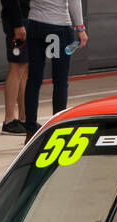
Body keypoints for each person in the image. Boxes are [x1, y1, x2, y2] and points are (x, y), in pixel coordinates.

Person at [23, 0, 87, 138]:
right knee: (60, 82)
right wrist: (80, 28)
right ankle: (58, 129)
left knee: (33, 80)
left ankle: (30, 129)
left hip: (35, 24)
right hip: (58, 27)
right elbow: (74, 1)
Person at [1, 0, 28, 135]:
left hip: (28, 18)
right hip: (18, 21)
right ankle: (9, 120)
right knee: (17, 66)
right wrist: (18, 23)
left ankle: (24, 118)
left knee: (25, 68)